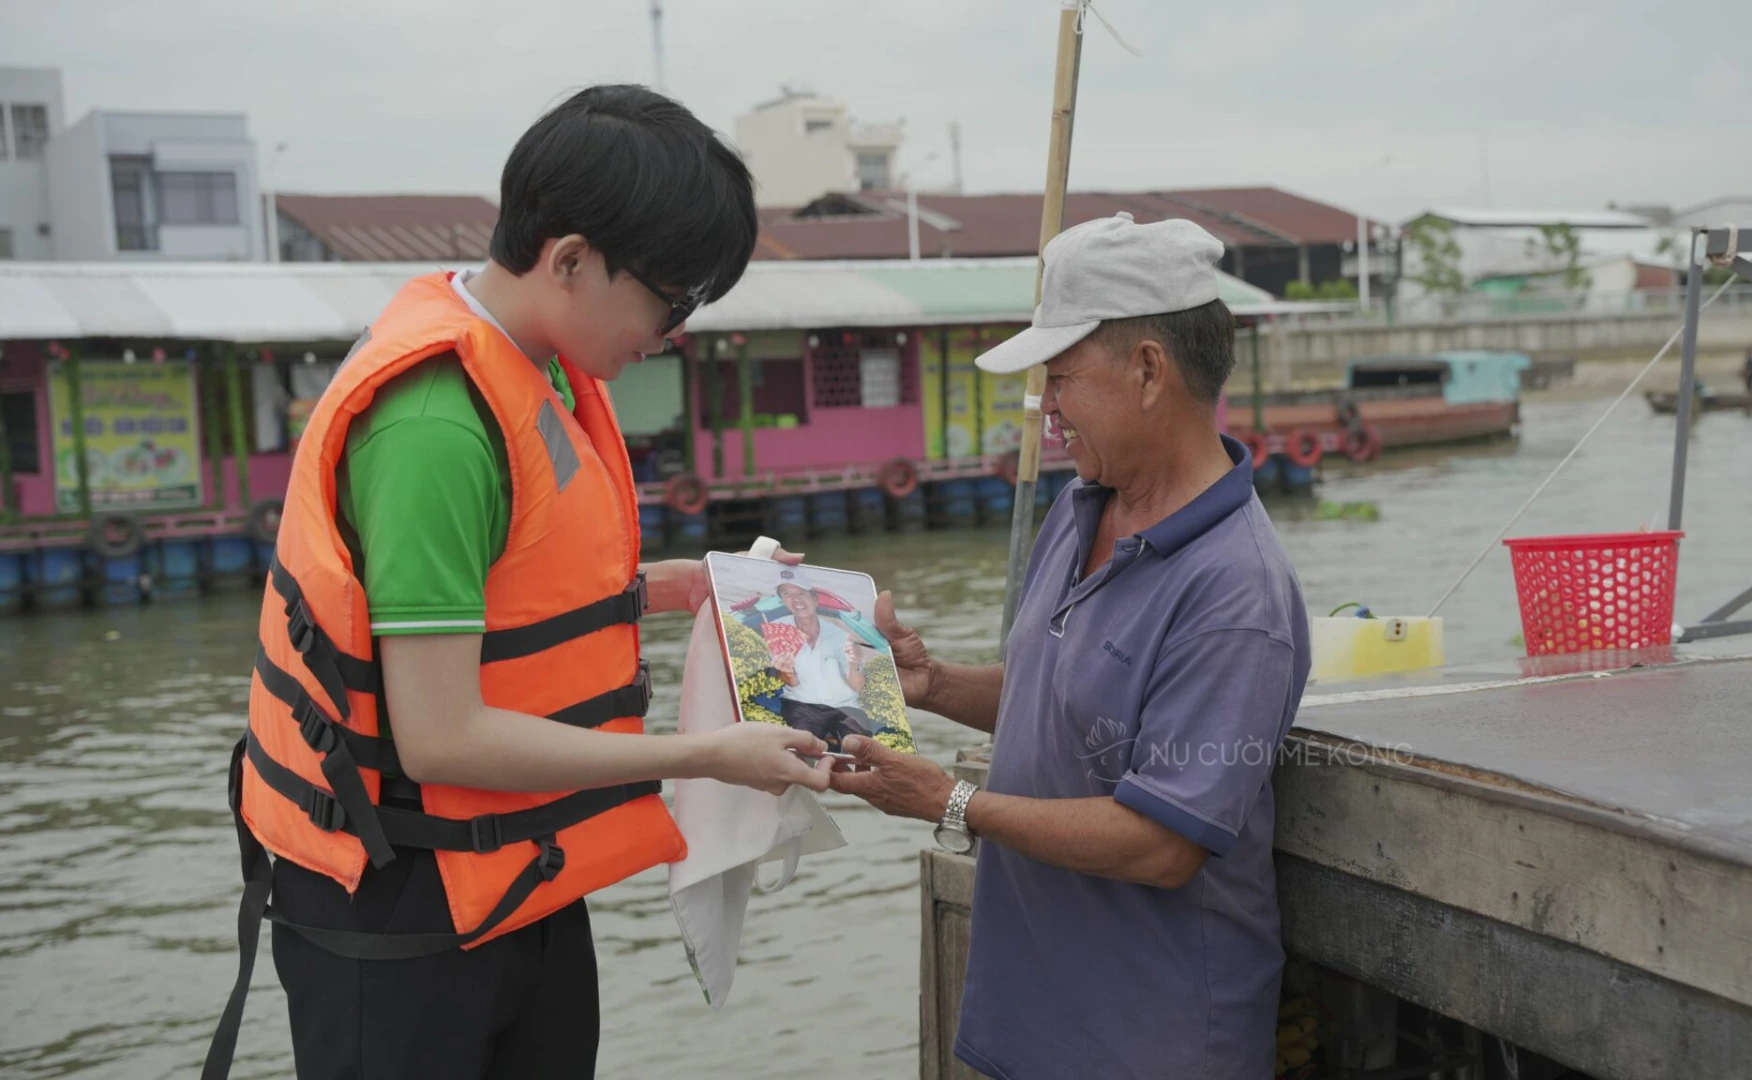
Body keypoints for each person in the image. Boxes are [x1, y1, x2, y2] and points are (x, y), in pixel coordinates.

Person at [201, 85, 834, 1080]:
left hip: (513, 878)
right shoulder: (436, 428)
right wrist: (711, 753)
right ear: (571, 259)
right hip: (401, 902)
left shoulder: (534, 367)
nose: (670, 331)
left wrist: (665, 588)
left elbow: (509, 599)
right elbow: (441, 732)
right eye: (669, 301)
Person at [832, 212, 1312, 1079]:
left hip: (1148, 1041)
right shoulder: (1081, 507)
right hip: (1026, 1017)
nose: (1046, 408)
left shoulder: (1236, 589)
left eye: (1060, 380)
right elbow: (1058, 696)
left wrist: (951, 802)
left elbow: (1163, 843)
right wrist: (932, 681)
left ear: (1148, 371)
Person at [770, 577, 873, 749]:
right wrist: (787, 672)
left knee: (862, 749)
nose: (796, 599)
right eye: (787, 594)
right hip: (801, 705)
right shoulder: (778, 629)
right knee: (801, 749)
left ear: (815, 599)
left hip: (845, 706)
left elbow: (857, 686)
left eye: (801, 592)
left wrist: (854, 663)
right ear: (782, 601)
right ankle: (826, 745)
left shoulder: (840, 634)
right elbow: (792, 683)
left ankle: (834, 744)